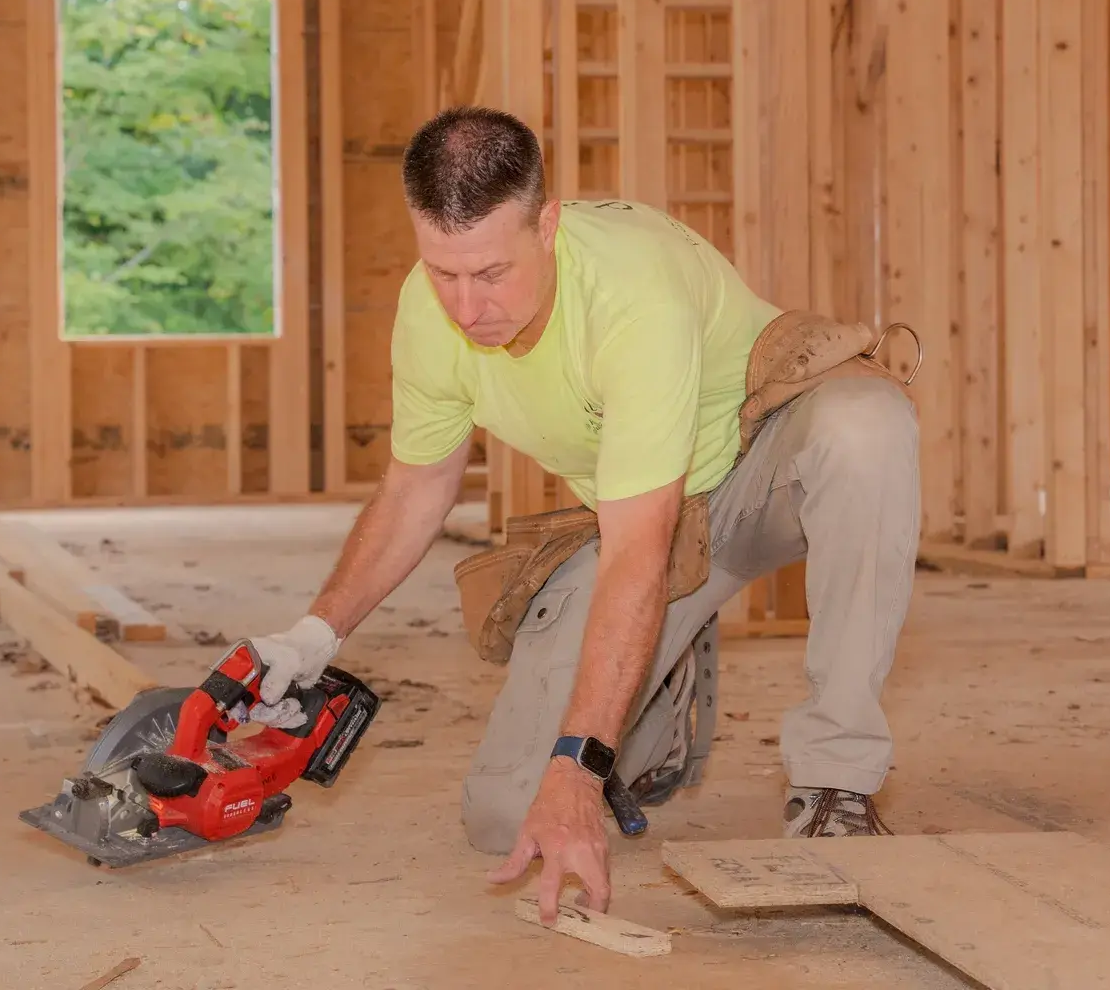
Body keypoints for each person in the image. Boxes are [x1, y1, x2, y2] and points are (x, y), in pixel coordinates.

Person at [238, 106, 920, 920]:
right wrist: (314, 635)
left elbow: (637, 552)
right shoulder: (429, 316)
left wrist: (576, 767)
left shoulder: (633, 293)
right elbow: (416, 488)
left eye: (490, 274)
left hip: (764, 471)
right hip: (653, 517)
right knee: (504, 818)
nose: (464, 306)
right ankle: (659, 701)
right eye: (442, 272)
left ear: (548, 223)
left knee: (866, 425)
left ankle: (835, 781)